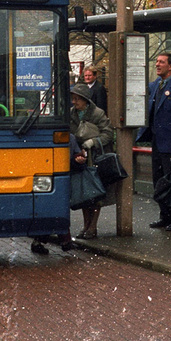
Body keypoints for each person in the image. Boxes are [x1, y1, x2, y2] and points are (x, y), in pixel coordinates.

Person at [136, 52, 171, 231]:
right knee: (159, 181)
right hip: (157, 143)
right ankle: (165, 216)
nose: (157, 65)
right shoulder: (154, 86)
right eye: (156, 62)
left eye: (161, 62)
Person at [69, 83, 115, 239]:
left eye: (77, 99)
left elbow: (108, 134)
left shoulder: (98, 114)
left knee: (95, 193)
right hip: (80, 158)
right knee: (83, 193)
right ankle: (85, 226)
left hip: (95, 158)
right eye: (73, 99)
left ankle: (92, 227)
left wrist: (93, 142)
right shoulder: (71, 114)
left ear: (85, 100)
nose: (74, 102)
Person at [30, 135, 83, 254]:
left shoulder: (69, 137)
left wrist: (78, 159)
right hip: (54, 175)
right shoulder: (69, 137)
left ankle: (41, 241)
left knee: (51, 209)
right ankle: (64, 240)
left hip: (50, 176)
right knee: (55, 209)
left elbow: (76, 156)